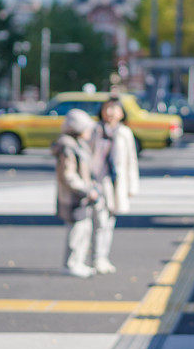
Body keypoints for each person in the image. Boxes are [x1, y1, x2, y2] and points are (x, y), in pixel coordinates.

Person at [90, 96, 139, 274]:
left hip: (115, 183)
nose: (110, 112)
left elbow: (131, 160)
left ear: (121, 113)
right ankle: (97, 258)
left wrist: (132, 186)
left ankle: (103, 257)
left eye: (114, 108)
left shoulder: (124, 133)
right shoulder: (94, 130)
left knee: (109, 221)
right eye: (107, 108)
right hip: (97, 182)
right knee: (100, 221)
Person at [52, 109, 101, 279]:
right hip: (74, 197)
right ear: (78, 128)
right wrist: (86, 189)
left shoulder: (77, 143)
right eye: (87, 128)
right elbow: (68, 175)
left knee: (84, 229)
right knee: (76, 231)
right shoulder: (68, 147)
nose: (90, 131)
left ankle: (78, 262)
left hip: (81, 196)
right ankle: (71, 264)